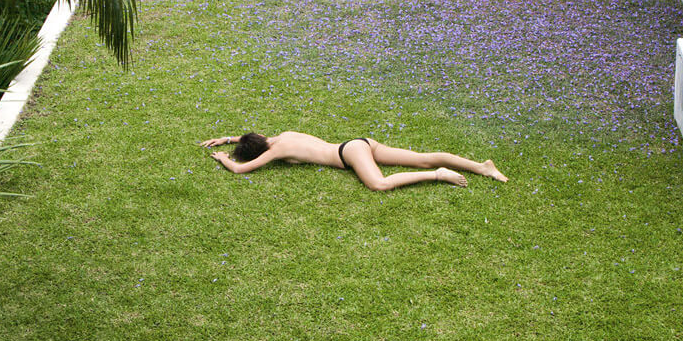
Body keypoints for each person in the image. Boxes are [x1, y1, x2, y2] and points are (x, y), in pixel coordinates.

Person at [200, 131, 508, 191]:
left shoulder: (274, 152)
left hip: (348, 155)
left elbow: (240, 169)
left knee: (379, 184)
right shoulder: (281, 137)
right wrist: (229, 138)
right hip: (360, 143)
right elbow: (252, 136)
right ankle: (481, 167)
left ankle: (439, 175)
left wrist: (223, 157)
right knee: (423, 158)